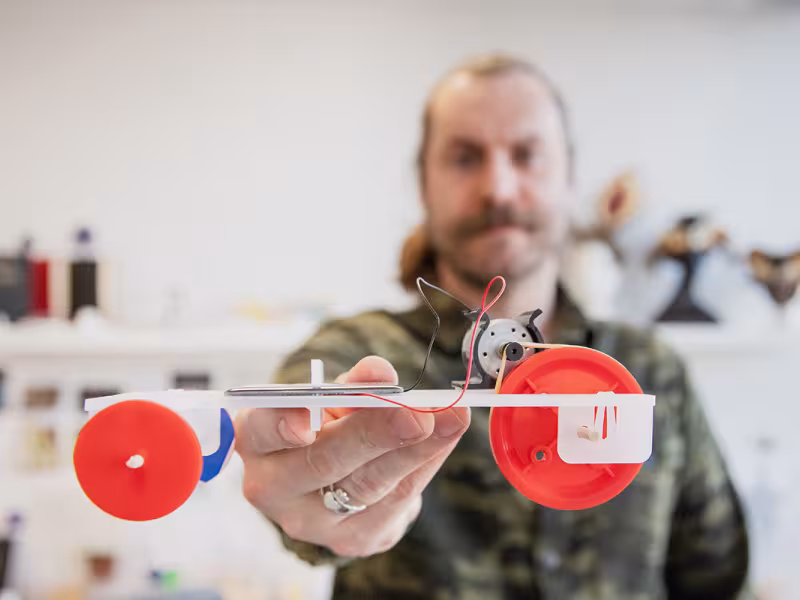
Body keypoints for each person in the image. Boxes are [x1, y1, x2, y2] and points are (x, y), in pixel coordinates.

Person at [233, 54, 751, 599]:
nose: (499, 188)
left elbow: (719, 583)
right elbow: (298, 460)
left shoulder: (652, 370)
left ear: (569, 178)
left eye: (527, 155)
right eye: (465, 158)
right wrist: (315, 487)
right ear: (423, 186)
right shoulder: (358, 351)